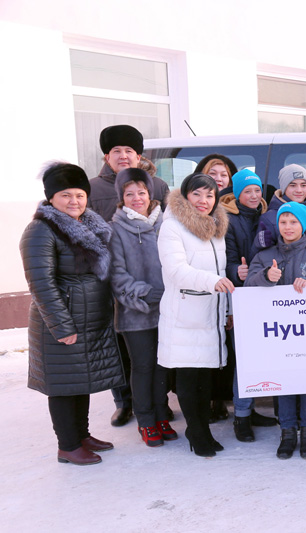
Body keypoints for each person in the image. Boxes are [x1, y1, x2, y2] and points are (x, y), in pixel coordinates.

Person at [20, 162, 124, 465]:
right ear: (51, 197)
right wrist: (62, 326)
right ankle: (67, 445)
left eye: (79, 195)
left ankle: (82, 435)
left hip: (89, 319)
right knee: (64, 386)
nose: (74, 201)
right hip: (62, 321)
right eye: (65, 195)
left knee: (81, 380)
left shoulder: (88, 224)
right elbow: (41, 284)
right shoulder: (40, 230)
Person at [88, 125, 170, 428]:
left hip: (156, 292)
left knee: (154, 358)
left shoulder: (158, 185)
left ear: (139, 155)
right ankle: (125, 403)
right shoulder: (92, 188)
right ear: (106, 156)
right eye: (116, 151)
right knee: (125, 354)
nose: (123, 155)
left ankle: (157, 407)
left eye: (129, 151)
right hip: (114, 284)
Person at [245, 202, 306, 460]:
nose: (288, 227)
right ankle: (287, 432)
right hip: (277, 334)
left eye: (294, 222)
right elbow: (248, 285)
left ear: (303, 225)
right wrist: (265, 277)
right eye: (283, 222)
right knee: (283, 383)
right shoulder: (264, 256)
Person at [157, 173, 233, 457]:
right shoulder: (172, 227)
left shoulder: (215, 227)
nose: (204, 201)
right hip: (185, 315)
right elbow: (176, 270)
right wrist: (212, 282)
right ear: (186, 196)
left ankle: (202, 430)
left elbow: (220, 270)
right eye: (197, 194)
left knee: (205, 380)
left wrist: (227, 309)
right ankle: (196, 432)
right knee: (189, 379)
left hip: (211, 314)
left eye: (210, 195)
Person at [108, 168, 174, 447]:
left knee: (162, 366)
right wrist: (146, 293)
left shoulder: (167, 223)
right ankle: (145, 420)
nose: (137, 198)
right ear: (121, 198)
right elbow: (116, 274)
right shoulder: (115, 229)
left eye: (142, 192)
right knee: (143, 365)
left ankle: (161, 415)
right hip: (136, 312)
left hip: (169, 309)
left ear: (150, 194)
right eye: (129, 194)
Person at [221, 168, 278, 440]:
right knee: (245, 360)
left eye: (257, 190)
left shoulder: (269, 215)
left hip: (269, 293)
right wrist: (236, 271)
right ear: (237, 194)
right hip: (243, 295)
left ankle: (252, 409)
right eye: (247, 191)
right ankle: (241, 416)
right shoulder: (229, 220)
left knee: (264, 357)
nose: (254, 195)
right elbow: (226, 259)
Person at [196, 153, 239, 422]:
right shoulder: (193, 210)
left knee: (227, 349)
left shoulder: (237, 207)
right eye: (213, 174)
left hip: (229, 287)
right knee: (205, 349)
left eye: (224, 175)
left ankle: (222, 399)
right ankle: (208, 401)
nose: (219, 179)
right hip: (200, 288)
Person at [257, 164, 306, 249]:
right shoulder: (269, 218)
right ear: (284, 188)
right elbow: (261, 254)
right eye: (293, 185)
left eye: (303, 185)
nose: (299, 190)